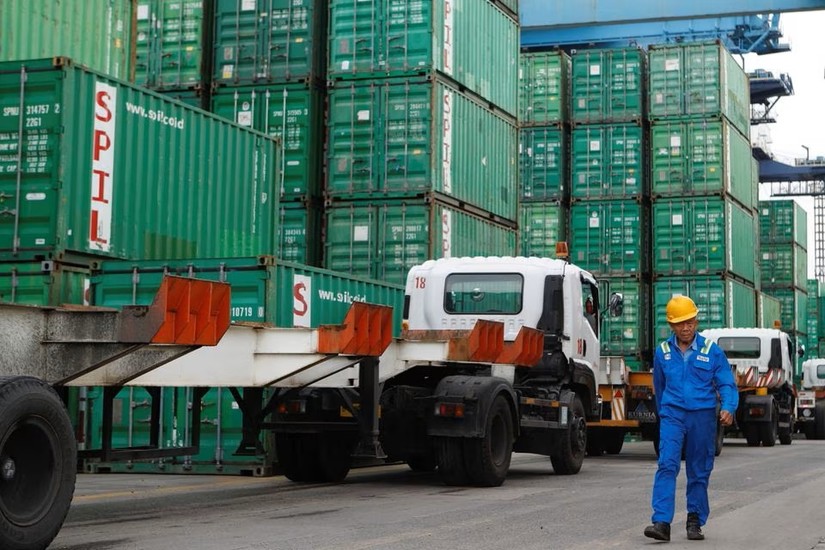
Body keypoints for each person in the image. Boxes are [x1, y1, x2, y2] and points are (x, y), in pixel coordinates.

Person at [644, 295, 738, 542]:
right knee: (667, 464)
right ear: (671, 325)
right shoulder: (662, 352)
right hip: (673, 415)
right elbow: (659, 387)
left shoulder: (712, 351)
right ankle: (661, 522)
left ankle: (694, 521)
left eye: (690, 322)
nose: (686, 328)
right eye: (680, 324)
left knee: (699, 470)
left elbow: (726, 383)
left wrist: (728, 406)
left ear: (696, 321)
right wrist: (665, 412)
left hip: (703, 417)